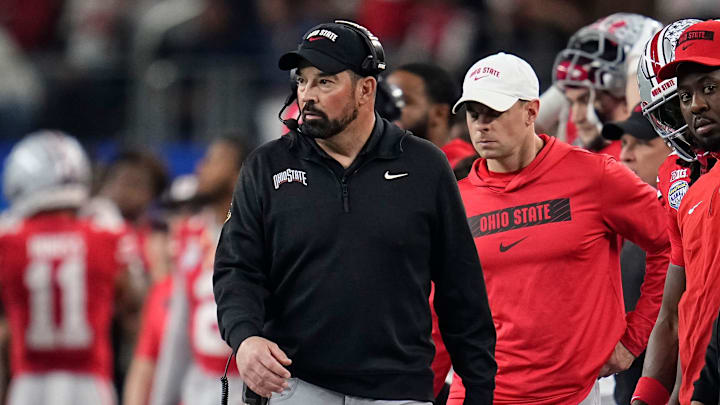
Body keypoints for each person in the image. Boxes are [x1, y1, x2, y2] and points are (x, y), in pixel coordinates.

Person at [213, 20, 496, 404]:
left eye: (325, 82)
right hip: (295, 386)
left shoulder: (425, 166)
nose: (307, 95)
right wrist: (244, 339)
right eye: (303, 81)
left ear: (366, 89)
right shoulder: (266, 166)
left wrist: (479, 390)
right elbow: (237, 269)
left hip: (399, 390)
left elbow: (461, 289)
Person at [448, 52, 670, 405]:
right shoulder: (456, 197)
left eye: (495, 112)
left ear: (532, 111)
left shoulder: (595, 177)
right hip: (477, 391)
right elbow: (438, 301)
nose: (481, 125)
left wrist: (634, 338)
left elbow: (670, 242)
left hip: (572, 394)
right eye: (474, 114)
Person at [0, 131, 141, 405]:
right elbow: (134, 303)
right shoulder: (107, 234)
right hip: (90, 384)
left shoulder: (8, 240)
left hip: (28, 385)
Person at [633, 19, 720, 405]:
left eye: (709, 89)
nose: (695, 107)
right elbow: (678, 312)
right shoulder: (686, 182)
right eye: (682, 99)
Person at [148, 136, 247, 405]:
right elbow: (178, 331)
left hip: (246, 385)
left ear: (237, 174)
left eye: (214, 160)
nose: (202, 167)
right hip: (199, 385)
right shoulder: (189, 234)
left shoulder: (261, 235)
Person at [601, 103, 672, 403]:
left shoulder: (689, 218)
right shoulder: (620, 227)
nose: (625, 155)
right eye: (624, 144)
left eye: (641, 143)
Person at [551, 13, 661, 157]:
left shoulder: (639, 152)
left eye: (585, 100)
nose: (576, 118)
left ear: (624, 97)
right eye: (572, 102)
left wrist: (638, 61)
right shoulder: (583, 128)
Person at [386, 62, 475, 168]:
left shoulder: (466, 169)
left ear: (439, 113)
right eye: (387, 100)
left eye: (403, 101)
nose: (389, 109)